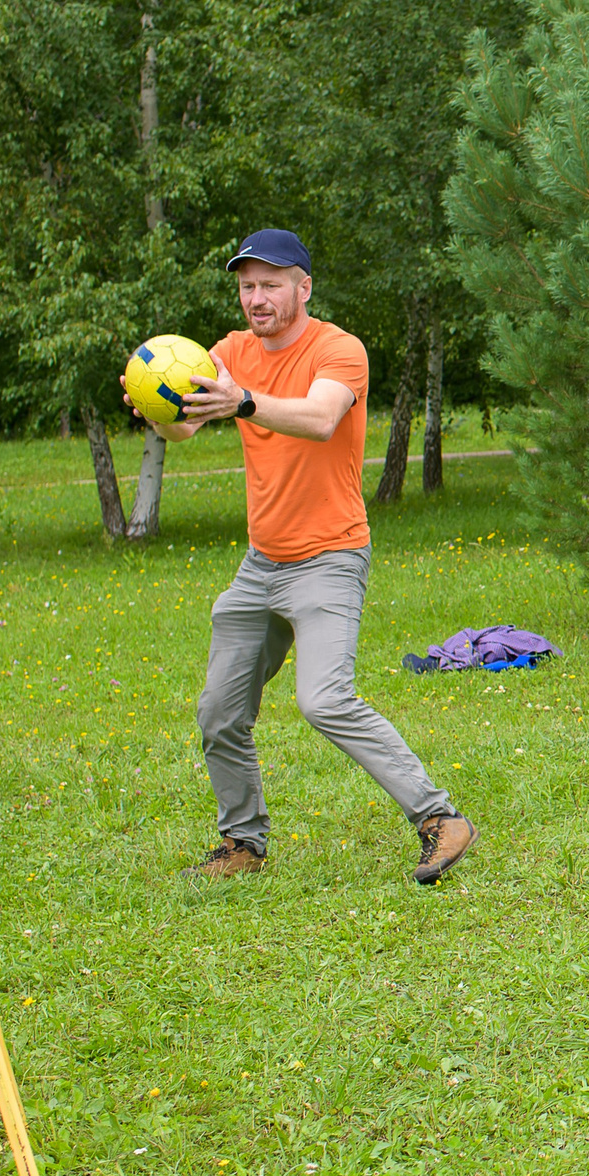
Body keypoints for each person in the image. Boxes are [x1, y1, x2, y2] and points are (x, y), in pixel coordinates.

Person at [131, 229, 476, 885]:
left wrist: (246, 401)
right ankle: (243, 844)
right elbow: (186, 422)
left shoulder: (338, 350)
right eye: (246, 287)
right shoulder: (229, 353)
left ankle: (440, 819)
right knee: (219, 712)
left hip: (329, 558)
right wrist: (157, 408)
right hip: (261, 564)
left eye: (269, 284)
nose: (256, 299)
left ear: (302, 288)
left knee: (323, 700)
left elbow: (320, 418)